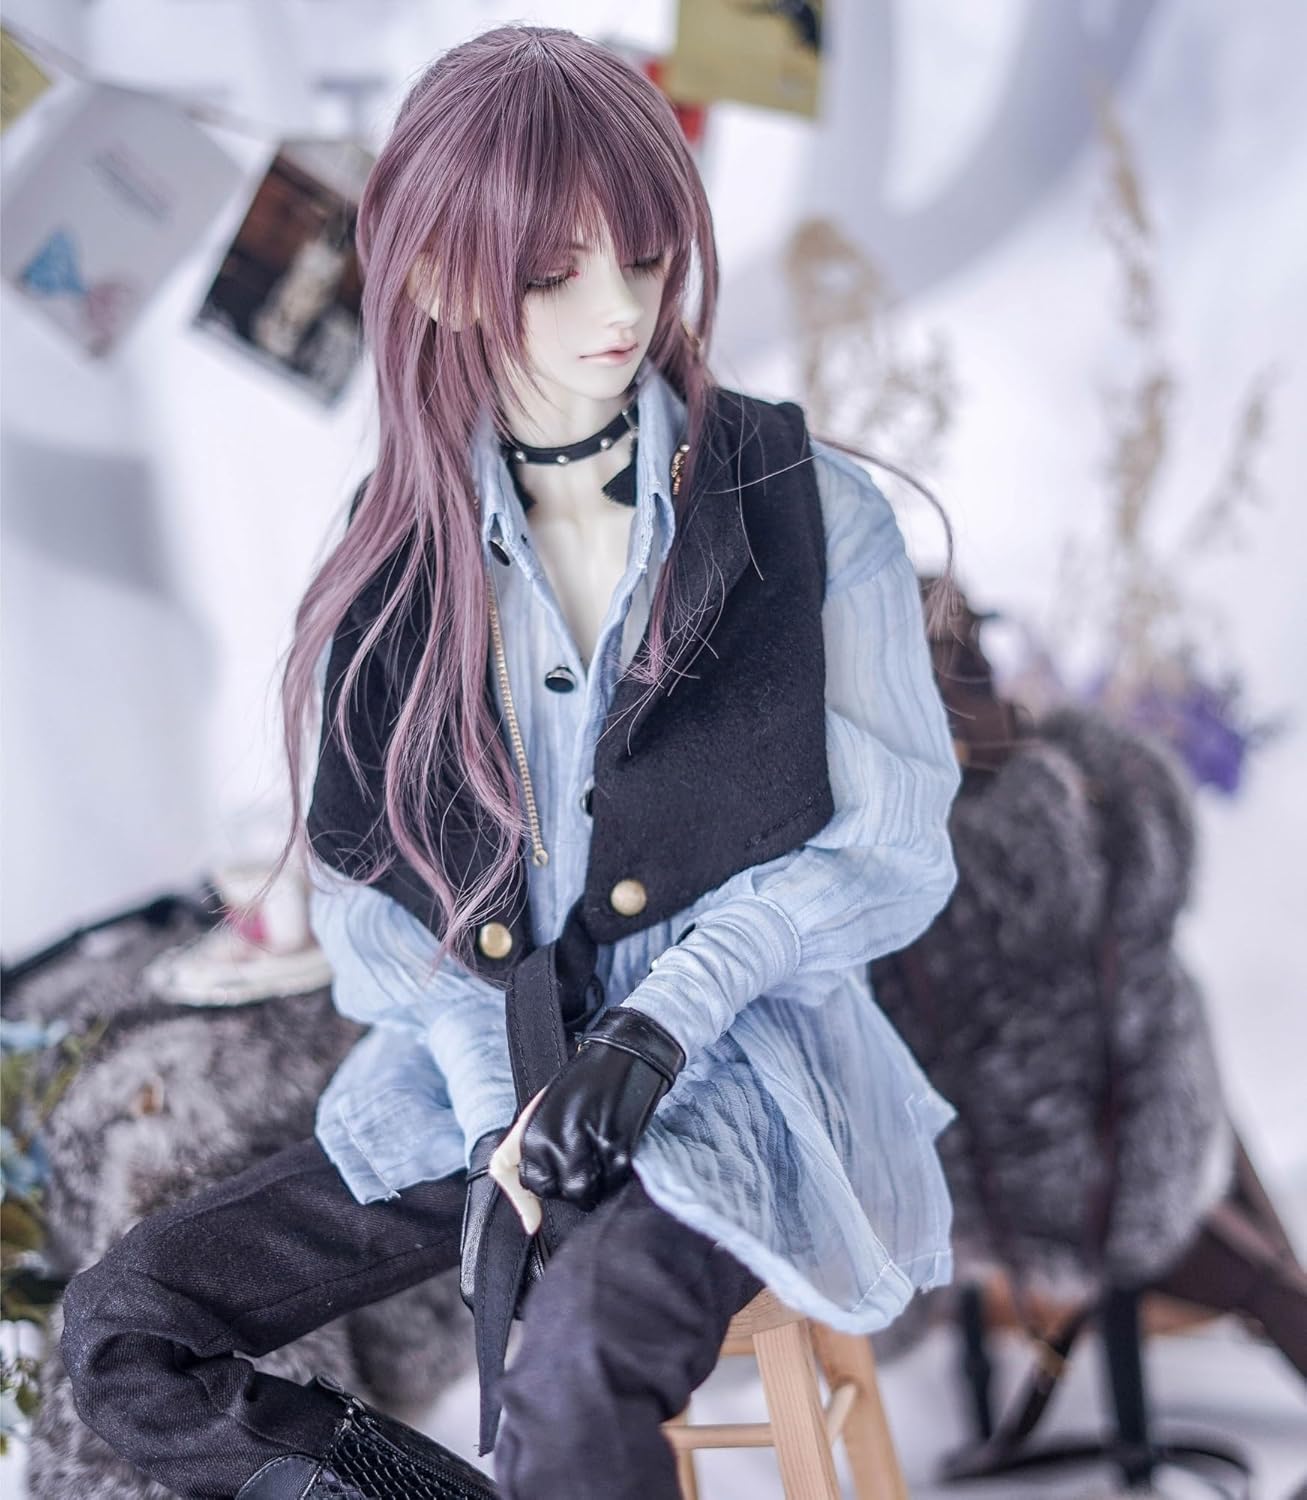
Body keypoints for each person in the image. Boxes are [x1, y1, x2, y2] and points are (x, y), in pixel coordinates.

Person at [60, 23, 964, 1500]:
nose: (618, 309)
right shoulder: (384, 557)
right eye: (552, 273)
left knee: (574, 1364)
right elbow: (378, 912)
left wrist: (655, 1028)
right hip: (478, 1088)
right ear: (433, 277)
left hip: (737, 1074)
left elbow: (889, 849)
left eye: (647, 256)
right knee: (128, 1331)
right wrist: (498, 1113)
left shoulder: (807, 510)